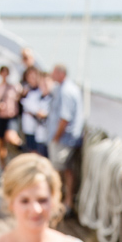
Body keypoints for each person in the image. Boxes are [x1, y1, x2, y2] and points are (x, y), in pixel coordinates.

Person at [45, 64, 83, 212]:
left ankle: (60, 202)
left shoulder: (66, 91)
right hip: (66, 138)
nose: (51, 75)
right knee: (66, 169)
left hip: (63, 139)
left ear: (61, 74)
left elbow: (65, 118)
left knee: (58, 170)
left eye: (53, 73)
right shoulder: (65, 88)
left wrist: (55, 137)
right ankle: (65, 201)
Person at [19, 67, 49, 157]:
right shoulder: (27, 89)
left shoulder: (40, 91)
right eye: (29, 77)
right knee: (31, 149)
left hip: (37, 128)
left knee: (36, 152)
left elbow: (40, 110)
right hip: (28, 126)